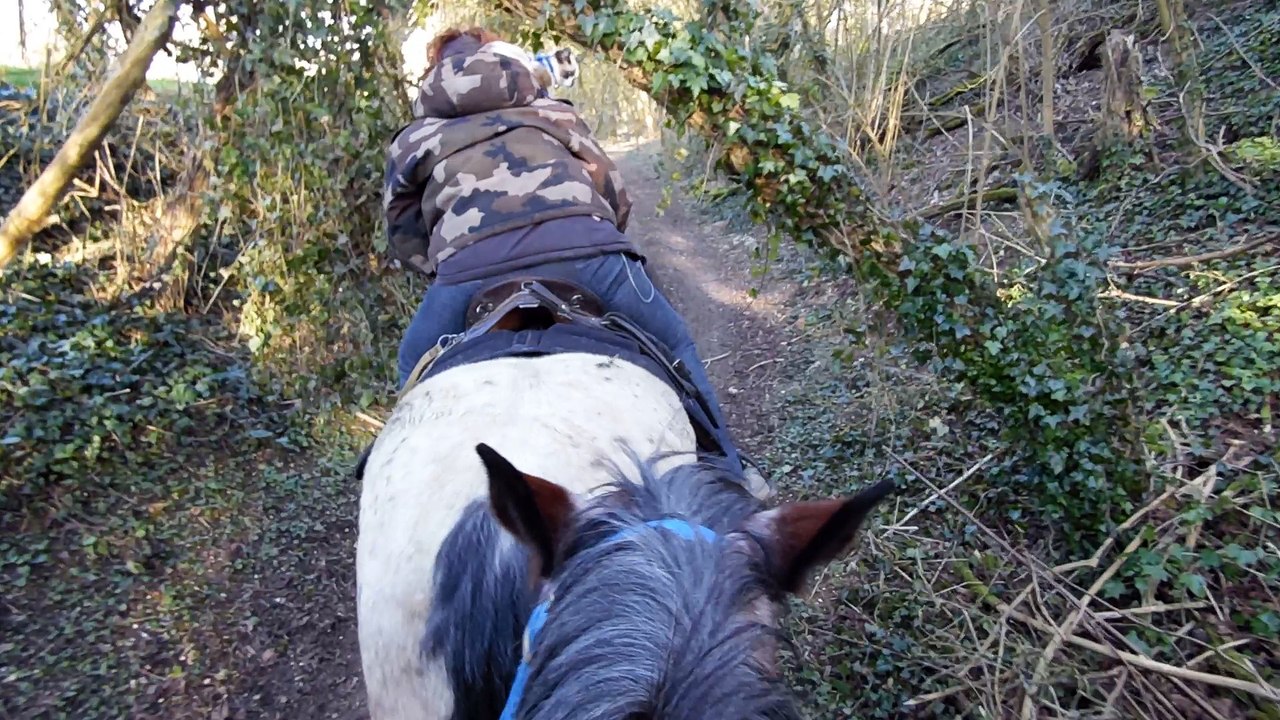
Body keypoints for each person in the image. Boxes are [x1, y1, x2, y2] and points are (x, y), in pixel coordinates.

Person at [382, 27, 769, 494]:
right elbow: (610, 188)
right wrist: (601, 234)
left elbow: (403, 230)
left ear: (434, 72)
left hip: (470, 266)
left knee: (412, 363)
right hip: (586, 250)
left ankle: (401, 485)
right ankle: (730, 472)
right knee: (675, 343)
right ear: (497, 56)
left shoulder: (415, 137)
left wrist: (443, 265)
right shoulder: (549, 110)